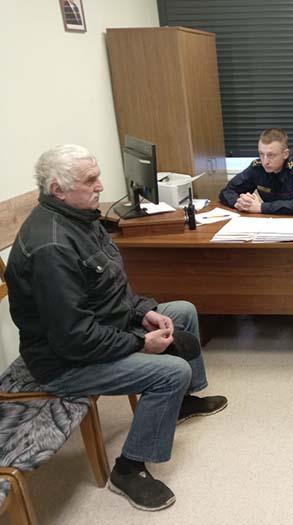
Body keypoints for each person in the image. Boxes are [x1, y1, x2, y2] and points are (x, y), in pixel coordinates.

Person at [5, 144, 228, 512]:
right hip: (64, 363)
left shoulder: (81, 218)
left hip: (99, 329)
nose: (100, 185)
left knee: (181, 311)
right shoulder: (52, 247)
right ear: (58, 189)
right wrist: (140, 343)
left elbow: (111, 287)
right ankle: (128, 469)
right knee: (171, 372)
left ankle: (181, 404)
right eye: (90, 180)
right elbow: (74, 339)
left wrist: (143, 313)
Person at [219, 128, 293, 215]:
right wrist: (240, 203)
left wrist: (261, 207)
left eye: (271, 155)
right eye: (261, 154)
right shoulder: (258, 167)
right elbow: (227, 192)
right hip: (274, 220)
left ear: (285, 154)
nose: (265, 161)